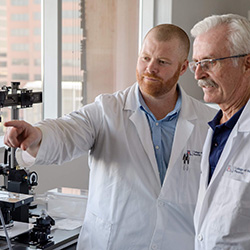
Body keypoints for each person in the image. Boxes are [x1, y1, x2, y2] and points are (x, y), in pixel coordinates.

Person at [4, 24, 216, 250]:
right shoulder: (107, 109)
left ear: (183, 67)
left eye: (162, 62)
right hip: (114, 243)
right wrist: (38, 135)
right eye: (145, 58)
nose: (150, 68)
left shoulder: (209, 121)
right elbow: (68, 130)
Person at [189, 14, 250, 249]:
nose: (198, 74)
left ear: (246, 63)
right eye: (196, 63)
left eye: (209, 62)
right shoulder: (215, 127)